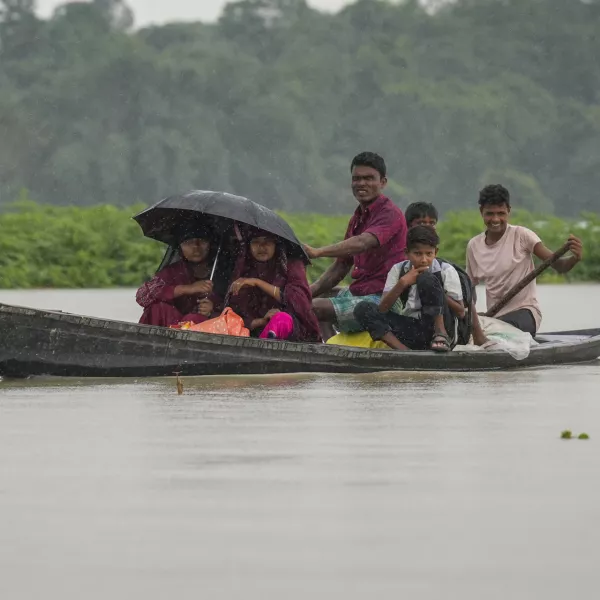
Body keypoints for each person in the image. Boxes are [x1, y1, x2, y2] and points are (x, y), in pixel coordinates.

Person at [304, 152, 407, 338]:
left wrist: (317, 252)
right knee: (307, 300)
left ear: (383, 182)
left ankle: (324, 351)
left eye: (369, 178)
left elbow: (362, 242)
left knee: (311, 307)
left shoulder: (390, 213)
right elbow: (341, 266)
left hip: (384, 299)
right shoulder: (357, 218)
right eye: (356, 178)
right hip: (360, 293)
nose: (361, 183)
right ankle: (326, 348)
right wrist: (304, 292)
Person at [466, 184, 583, 335]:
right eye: (490, 214)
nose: (496, 219)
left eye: (501, 213)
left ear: (508, 211)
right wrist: (471, 316)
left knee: (495, 332)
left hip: (526, 313)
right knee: (471, 332)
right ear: (481, 212)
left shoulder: (522, 236)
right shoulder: (474, 246)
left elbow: (559, 265)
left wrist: (575, 258)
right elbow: (469, 289)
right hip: (495, 318)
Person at [354, 226, 464, 352]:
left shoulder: (446, 270)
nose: (424, 260)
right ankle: (403, 350)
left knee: (426, 278)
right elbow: (383, 308)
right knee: (363, 308)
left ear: (436, 252)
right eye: (417, 254)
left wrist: (437, 290)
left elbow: (461, 312)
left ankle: (440, 333)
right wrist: (403, 282)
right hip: (413, 329)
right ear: (406, 253)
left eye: (429, 254)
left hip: (442, 329)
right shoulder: (398, 270)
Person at [227, 228, 321, 342]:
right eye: (256, 242)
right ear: (249, 245)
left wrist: (258, 282)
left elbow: (299, 301)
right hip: (252, 331)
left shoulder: (290, 264)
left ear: (276, 244)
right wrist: (261, 321)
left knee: (281, 319)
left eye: (267, 241)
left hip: (292, 329)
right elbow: (234, 310)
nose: (261, 247)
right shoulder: (244, 267)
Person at [137, 224, 221, 327]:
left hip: (206, 332)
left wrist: (214, 311)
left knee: (194, 318)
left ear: (211, 244)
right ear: (180, 246)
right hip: (170, 328)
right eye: (188, 242)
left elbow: (237, 309)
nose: (196, 247)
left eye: (202, 241)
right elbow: (142, 296)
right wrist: (187, 289)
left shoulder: (222, 273)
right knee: (157, 307)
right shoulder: (173, 271)